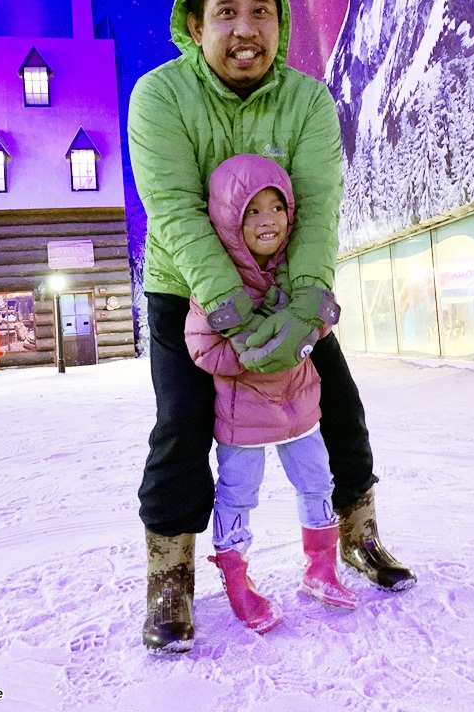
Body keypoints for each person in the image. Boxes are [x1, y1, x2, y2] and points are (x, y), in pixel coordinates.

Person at [128, 0, 416, 655]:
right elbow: (175, 211)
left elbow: (317, 208)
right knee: (183, 424)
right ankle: (170, 576)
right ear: (195, 23)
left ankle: (357, 534)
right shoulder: (159, 97)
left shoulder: (307, 101)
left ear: (280, 22)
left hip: (287, 293)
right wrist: (231, 313)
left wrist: (304, 305)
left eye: (262, 10)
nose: (246, 29)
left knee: (339, 407)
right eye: (226, 12)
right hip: (185, 292)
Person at [185, 154, 358, 633]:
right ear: (229, 220)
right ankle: (237, 579)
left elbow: (318, 324)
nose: (268, 220)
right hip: (243, 420)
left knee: (317, 482)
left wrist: (307, 327)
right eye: (253, 211)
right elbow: (201, 346)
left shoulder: (296, 272)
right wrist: (252, 355)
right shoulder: (217, 286)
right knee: (238, 495)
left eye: (277, 208)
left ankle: (321, 568)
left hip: (300, 409)